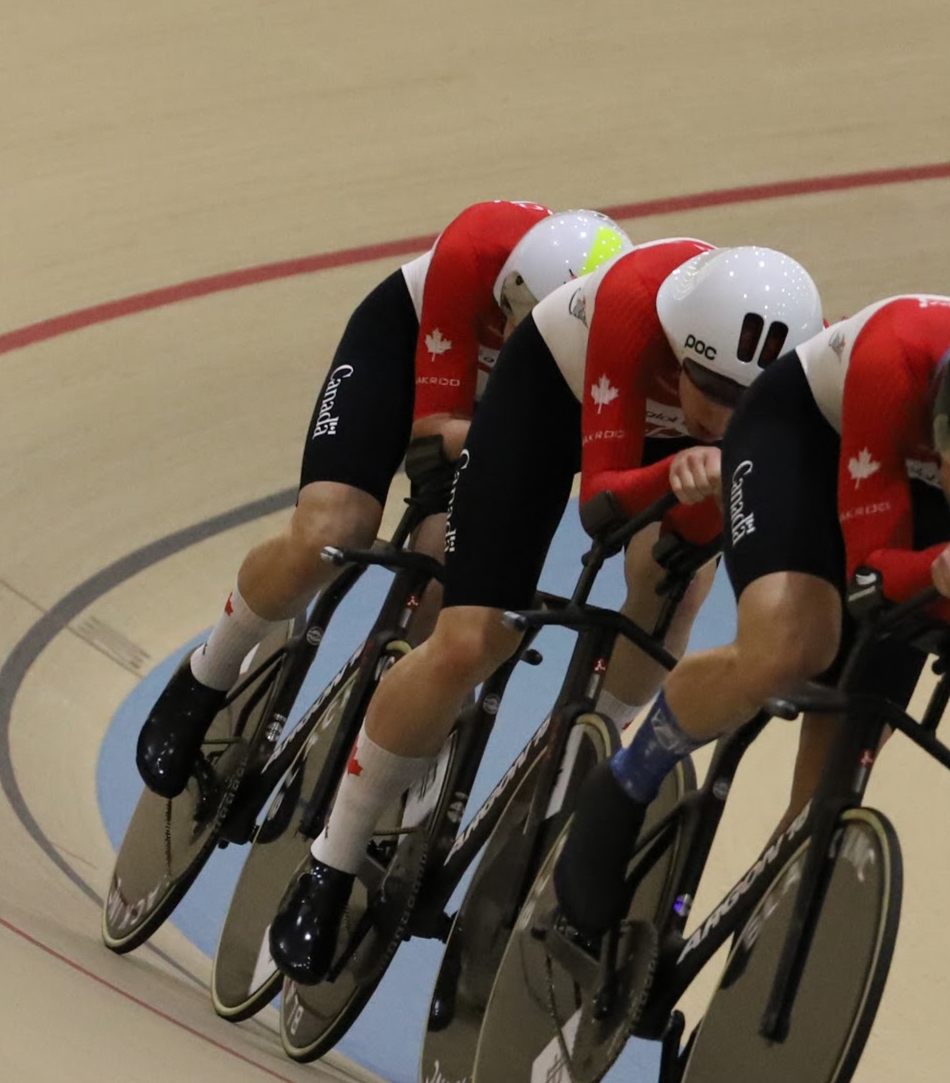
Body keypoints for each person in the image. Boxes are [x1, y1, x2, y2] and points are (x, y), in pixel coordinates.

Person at [268, 239, 825, 982]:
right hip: (552, 399)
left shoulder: (792, 388)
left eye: (744, 401)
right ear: (679, 346)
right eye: (710, 388)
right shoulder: (632, 311)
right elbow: (600, 505)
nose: (725, 415)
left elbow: (704, 530)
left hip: (661, 444)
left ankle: (589, 752)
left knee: (678, 583)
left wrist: (700, 506)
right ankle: (329, 864)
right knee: (469, 640)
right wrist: (676, 473)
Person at [552, 299, 950, 938]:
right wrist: (944, 566)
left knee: (838, 774)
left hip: (915, 478)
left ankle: (753, 954)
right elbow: (869, 574)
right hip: (805, 433)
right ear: (941, 423)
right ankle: (629, 778)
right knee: (792, 646)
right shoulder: (893, 357)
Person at [135, 202, 631, 794]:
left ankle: (385, 734)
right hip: (410, 350)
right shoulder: (472, 252)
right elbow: (433, 434)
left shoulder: (610, 329)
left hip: (517, 407)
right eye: (517, 321)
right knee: (329, 532)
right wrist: (519, 440)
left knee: (455, 587)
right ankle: (206, 673)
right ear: (510, 286)